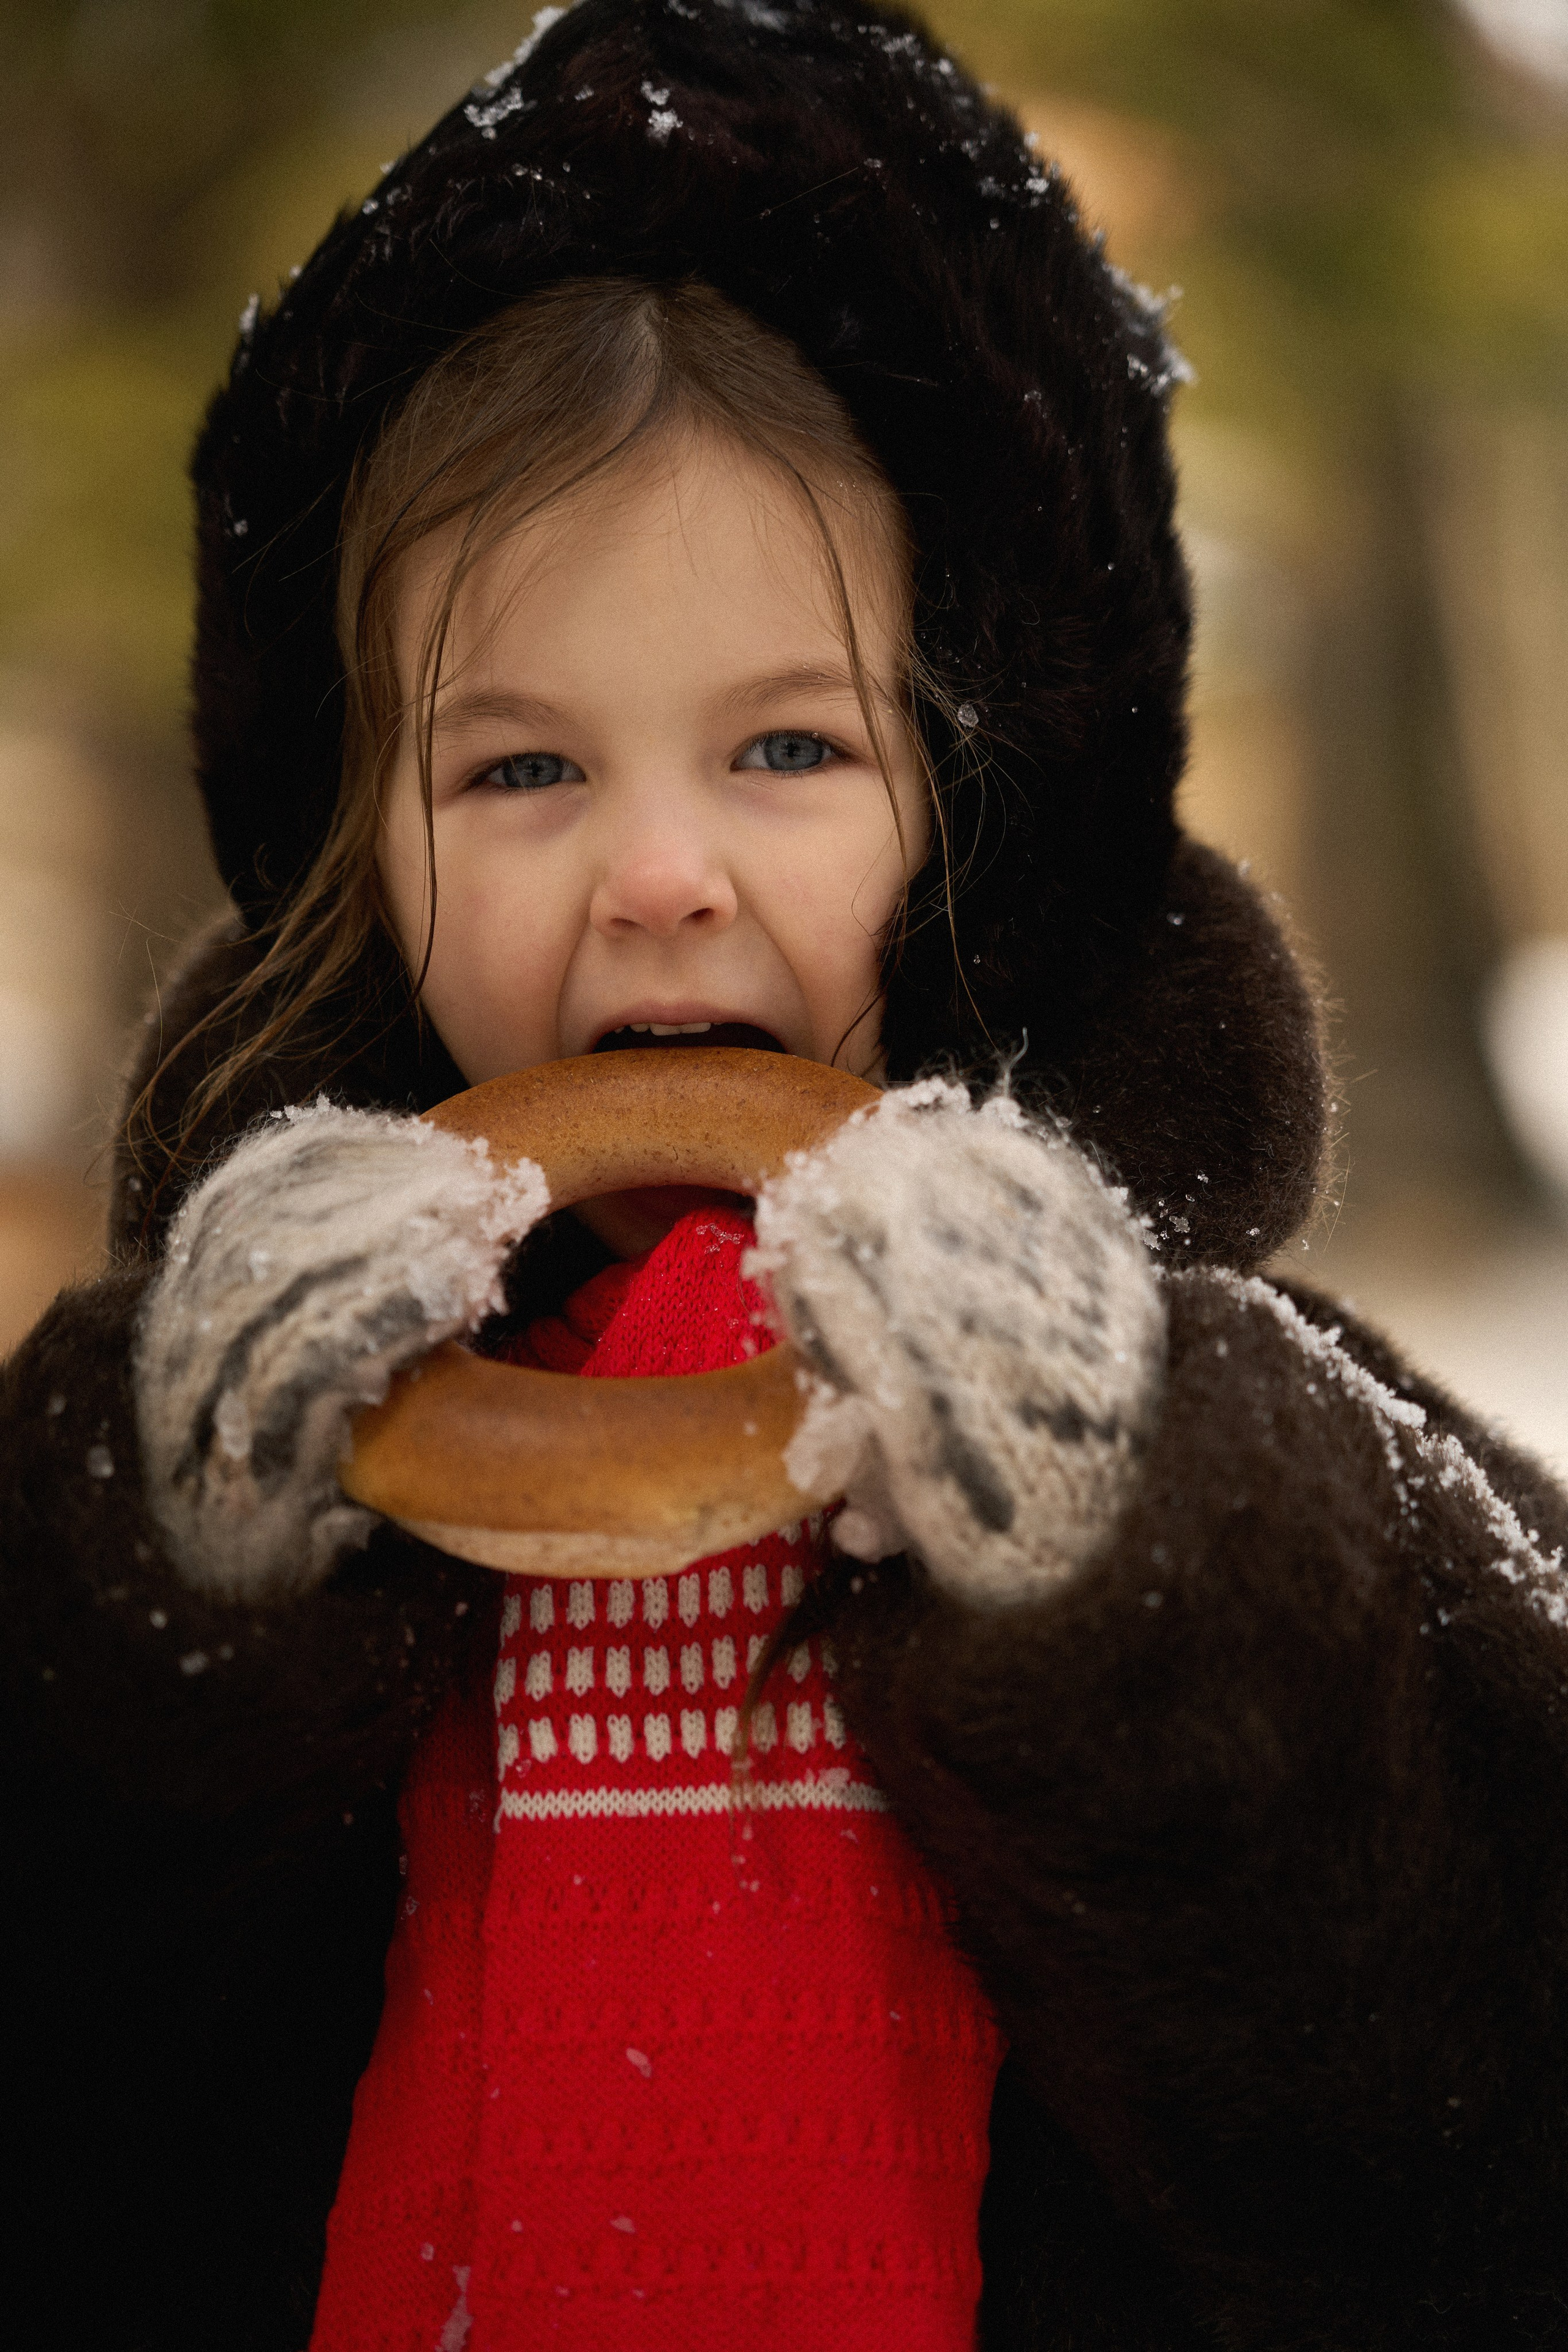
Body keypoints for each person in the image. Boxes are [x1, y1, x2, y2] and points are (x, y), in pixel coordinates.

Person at [4, 1, 1567, 2345]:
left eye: (787, 743)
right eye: (519, 770)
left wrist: (1152, 1556)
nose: (654, 871)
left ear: (972, 814)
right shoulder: (241, 1437)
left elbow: (1481, 2121)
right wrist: (171, 1587)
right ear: (374, 851)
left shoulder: (1225, 1422)